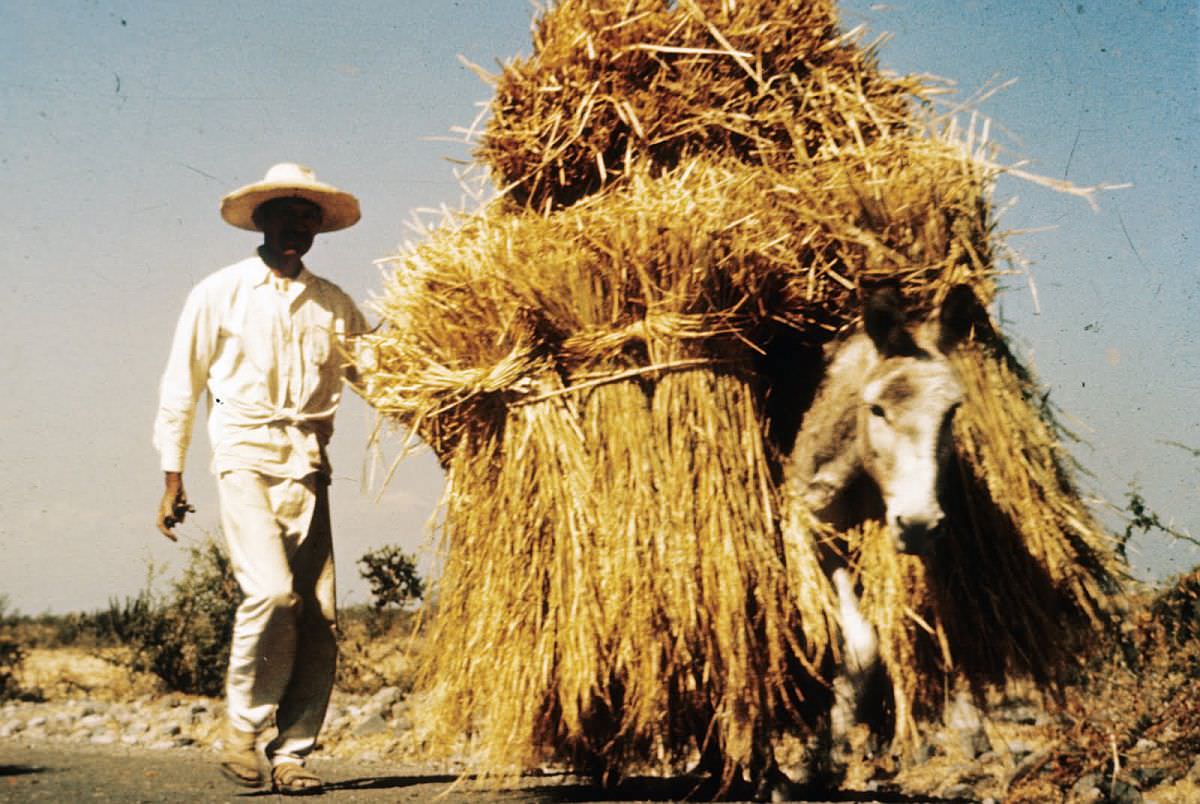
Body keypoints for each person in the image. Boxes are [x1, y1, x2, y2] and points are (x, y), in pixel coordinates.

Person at [153, 163, 367, 794]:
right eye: (286, 215)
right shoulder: (219, 293)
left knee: (318, 614)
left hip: (309, 460)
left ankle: (293, 750)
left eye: (309, 218)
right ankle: (241, 731)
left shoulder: (333, 303)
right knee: (272, 594)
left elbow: (380, 373)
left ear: (318, 227)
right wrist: (172, 477)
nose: (297, 227)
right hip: (244, 451)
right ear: (262, 219)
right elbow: (180, 387)